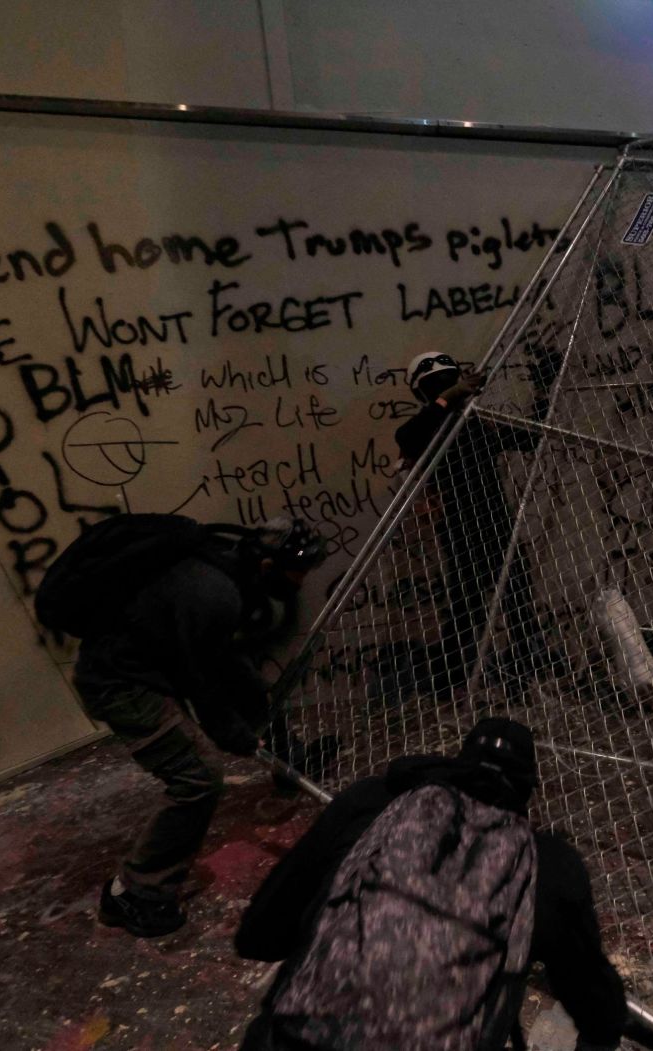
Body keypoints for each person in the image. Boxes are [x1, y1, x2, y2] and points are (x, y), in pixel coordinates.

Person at [235, 717, 626, 1051]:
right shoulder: (548, 864)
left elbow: (257, 937)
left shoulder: (370, 802)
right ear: (525, 792)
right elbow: (599, 1010)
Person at [72, 516, 328, 937]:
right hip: (121, 684)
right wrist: (232, 734)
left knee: (250, 688)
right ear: (268, 565)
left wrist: (249, 708)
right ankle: (133, 893)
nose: (301, 581)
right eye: (298, 570)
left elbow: (215, 660)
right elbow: (200, 680)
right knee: (199, 778)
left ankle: (287, 761)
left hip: (148, 667)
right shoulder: (214, 591)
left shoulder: (225, 568)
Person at [394, 352, 544, 695]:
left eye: (453, 382)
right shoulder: (430, 429)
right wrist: (451, 396)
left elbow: (531, 437)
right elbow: (408, 436)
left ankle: (525, 674)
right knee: (468, 606)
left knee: (516, 599)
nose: (452, 390)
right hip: (462, 529)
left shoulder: (474, 424)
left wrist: (542, 390)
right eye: (441, 386)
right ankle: (453, 679)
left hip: (496, 522)